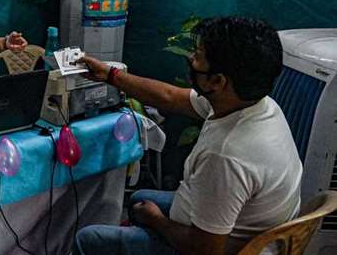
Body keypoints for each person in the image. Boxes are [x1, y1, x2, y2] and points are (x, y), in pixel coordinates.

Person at [74, 17, 302, 255]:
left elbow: (205, 250)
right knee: (139, 199)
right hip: (240, 227)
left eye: (198, 56)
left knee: (89, 239)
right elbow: (170, 97)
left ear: (218, 81)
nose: (191, 58)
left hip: (221, 248)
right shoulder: (255, 103)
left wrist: (157, 221)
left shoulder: (226, 156)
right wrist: (111, 75)